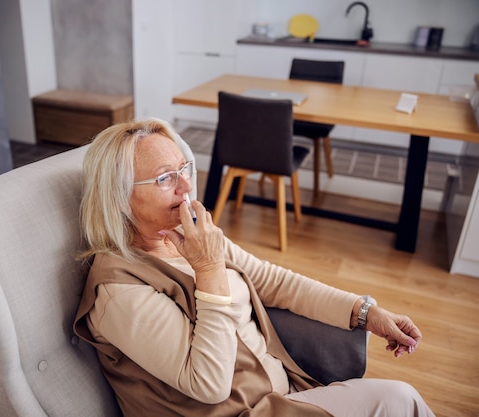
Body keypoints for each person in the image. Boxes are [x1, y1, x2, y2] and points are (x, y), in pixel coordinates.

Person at [73, 117, 435, 417]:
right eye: (165, 178)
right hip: (245, 413)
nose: (186, 187)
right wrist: (209, 269)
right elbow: (208, 384)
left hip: (282, 396)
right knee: (400, 402)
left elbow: (273, 280)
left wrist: (366, 312)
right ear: (118, 197)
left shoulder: (190, 235)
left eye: (184, 169)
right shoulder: (118, 291)